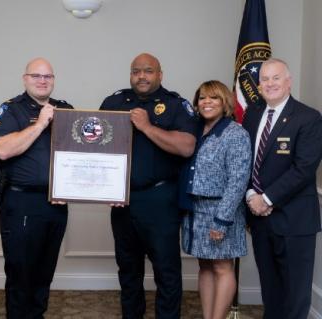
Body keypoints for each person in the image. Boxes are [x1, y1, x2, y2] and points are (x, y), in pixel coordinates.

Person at [99, 53, 198, 318]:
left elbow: (186, 147)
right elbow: (97, 149)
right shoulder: (114, 102)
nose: (141, 76)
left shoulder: (176, 105)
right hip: (122, 202)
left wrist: (146, 126)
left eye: (148, 71)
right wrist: (104, 189)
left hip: (160, 201)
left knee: (166, 272)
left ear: (160, 74)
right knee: (128, 272)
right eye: (136, 71)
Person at [0, 57, 73, 318]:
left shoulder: (66, 109)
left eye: (47, 76)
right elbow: (2, 150)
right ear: (25, 78)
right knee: (20, 275)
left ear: (53, 80)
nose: (42, 81)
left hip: (56, 204)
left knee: (43, 275)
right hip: (21, 204)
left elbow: (81, 155)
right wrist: (39, 124)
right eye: (36, 76)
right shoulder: (11, 110)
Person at [242, 58, 322, 319]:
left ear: (289, 81)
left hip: (294, 220)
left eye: (276, 78)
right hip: (260, 220)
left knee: (295, 296)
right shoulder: (252, 114)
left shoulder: (308, 117)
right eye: (264, 79)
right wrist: (251, 194)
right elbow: (246, 159)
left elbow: (304, 168)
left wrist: (266, 198)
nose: (269, 83)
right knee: (271, 292)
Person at [179, 80, 251, 319]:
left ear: (225, 102)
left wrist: (222, 219)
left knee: (222, 266)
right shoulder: (196, 130)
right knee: (205, 265)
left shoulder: (235, 133)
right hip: (195, 209)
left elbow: (238, 180)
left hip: (221, 209)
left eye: (213, 98)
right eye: (202, 98)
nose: (206, 102)